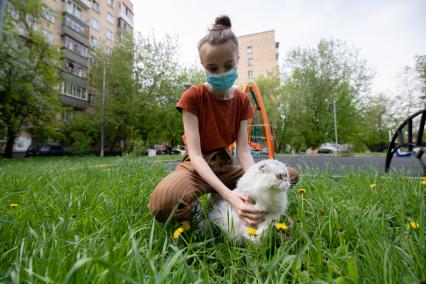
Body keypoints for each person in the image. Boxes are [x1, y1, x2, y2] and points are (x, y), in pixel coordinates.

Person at [147, 15, 299, 228]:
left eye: (228, 65)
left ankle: (244, 206)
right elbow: (196, 155)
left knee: (287, 176)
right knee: (164, 201)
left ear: (237, 59)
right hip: (196, 167)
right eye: (213, 68)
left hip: (226, 165)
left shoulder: (242, 101)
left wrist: (257, 181)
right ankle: (200, 211)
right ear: (203, 65)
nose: (221, 73)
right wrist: (230, 196)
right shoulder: (193, 97)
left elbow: (244, 152)